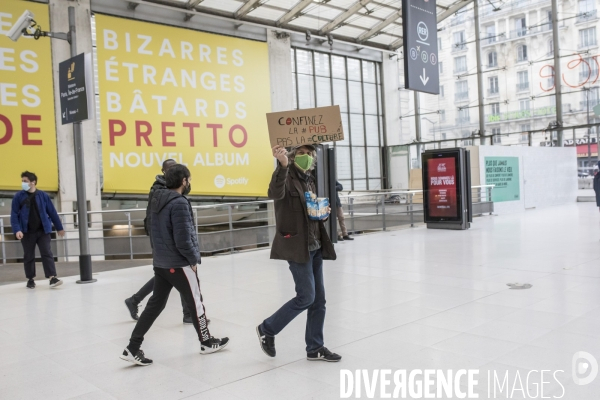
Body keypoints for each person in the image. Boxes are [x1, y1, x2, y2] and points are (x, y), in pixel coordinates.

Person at [120, 164, 228, 366]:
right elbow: (183, 239)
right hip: (178, 263)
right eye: (189, 179)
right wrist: (193, 260)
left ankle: (132, 347)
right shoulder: (179, 203)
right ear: (184, 181)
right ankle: (206, 342)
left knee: (155, 305)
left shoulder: (157, 199)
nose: (189, 183)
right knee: (196, 302)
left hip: (161, 262)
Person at [256, 145, 342, 362]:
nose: (308, 157)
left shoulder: (309, 179)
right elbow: (275, 193)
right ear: (293, 156)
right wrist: (282, 164)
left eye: (311, 154)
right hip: (296, 246)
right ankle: (267, 328)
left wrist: (321, 214)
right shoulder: (286, 176)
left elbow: (308, 209)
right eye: (303, 153)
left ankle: (315, 347)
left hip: (314, 244)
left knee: (319, 300)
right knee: (306, 297)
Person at [124, 159, 194, 324]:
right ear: (165, 172)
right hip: (165, 238)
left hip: (166, 237)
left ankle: (135, 300)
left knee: (170, 273)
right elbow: (155, 215)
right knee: (180, 272)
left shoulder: (162, 188)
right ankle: (189, 314)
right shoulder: (160, 189)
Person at [10, 171, 65, 289]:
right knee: (28, 255)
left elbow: (52, 212)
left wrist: (59, 228)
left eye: (25, 181)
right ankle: (30, 279)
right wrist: (17, 230)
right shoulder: (18, 197)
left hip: (43, 231)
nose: (23, 183)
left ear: (33, 182)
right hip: (26, 232)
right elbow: (14, 214)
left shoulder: (43, 196)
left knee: (47, 253)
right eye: (22, 181)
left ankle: (52, 278)